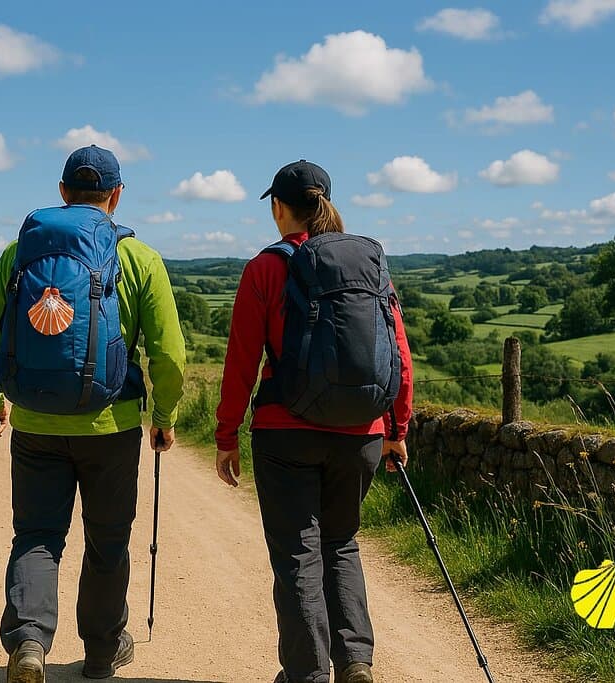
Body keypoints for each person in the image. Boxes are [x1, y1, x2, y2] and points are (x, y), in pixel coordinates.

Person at [0, 145, 185, 682]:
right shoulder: (140, 259)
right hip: (112, 426)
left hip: (37, 423)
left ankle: (28, 641)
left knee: (37, 534)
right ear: (116, 195)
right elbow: (169, 353)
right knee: (107, 538)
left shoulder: (20, 251)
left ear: (63, 192)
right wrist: (164, 415)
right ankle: (100, 652)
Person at [214, 160, 413, 683]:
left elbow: (242, 360)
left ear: (279, 208)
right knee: (341, 543)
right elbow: (399, 355)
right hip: (362, 433)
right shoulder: (368, 265)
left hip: (285, 432)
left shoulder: (265, 268)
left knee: (297, 555)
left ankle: (306, 675)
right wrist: (397, 430)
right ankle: (355, 663)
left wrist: (226, 434)